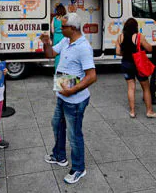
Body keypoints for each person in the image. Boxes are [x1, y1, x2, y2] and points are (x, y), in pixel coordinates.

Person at [39, 13, 97, 185]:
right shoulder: (66, 41)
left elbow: (92, 76)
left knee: (74, 134)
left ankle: (79, 168)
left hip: (75, 101)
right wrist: (45, 43)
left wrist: (73, 90)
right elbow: (50, 54)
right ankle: (59, 156)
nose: (59, 29)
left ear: (72, 28)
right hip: (62, 95)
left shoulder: (83, 47)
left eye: (62, 26)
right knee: (57, 124)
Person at [115, 18, 156, 119]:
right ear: (136, 27)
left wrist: (126, 53)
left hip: (126, 64)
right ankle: (149, 111)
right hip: (138, 65)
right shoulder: (139, 37)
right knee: (146, 88)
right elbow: (149, 49)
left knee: (131, 87)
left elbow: (118, 52)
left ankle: (132, 111)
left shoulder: (120, 37)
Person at [51, 4, 67, 71]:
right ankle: (64, 71)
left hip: (56, 37)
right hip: (63, 36)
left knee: (57, 55)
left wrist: (55, 34)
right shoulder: (65, 19)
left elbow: (52, 29)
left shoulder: (54, 19)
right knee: (64, 54)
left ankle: (57, 71)